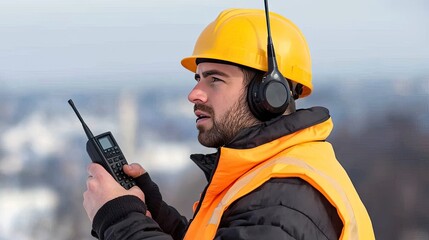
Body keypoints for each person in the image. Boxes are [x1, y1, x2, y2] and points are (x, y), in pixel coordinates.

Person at [83, 8, 375, 239]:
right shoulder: (268, 178)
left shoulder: (283, 200)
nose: (194, 93)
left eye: (215, 79)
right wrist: (157, 214)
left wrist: (119, 218)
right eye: (198, 78)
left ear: (268, 95)